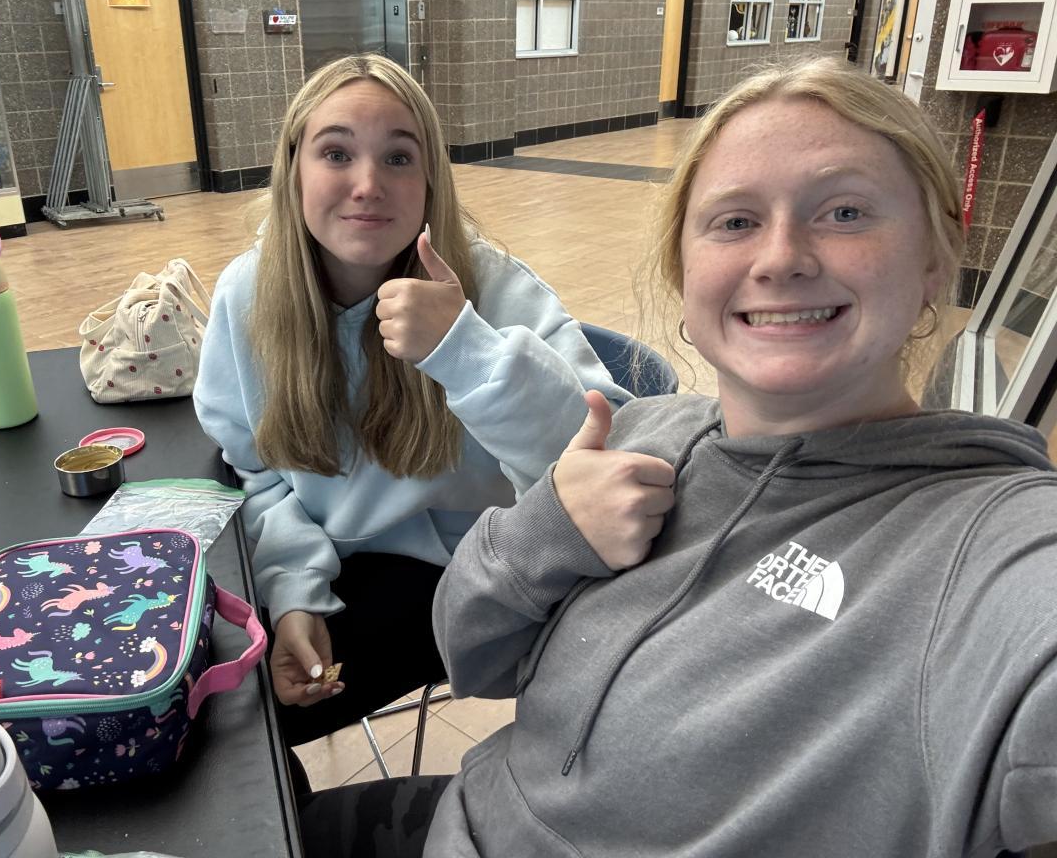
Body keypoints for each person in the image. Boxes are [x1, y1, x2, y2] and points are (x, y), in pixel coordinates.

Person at [297, 56, 1057, 858]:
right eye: (735, 222)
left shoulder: (984, 546)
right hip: (470, 818)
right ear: (684, 272)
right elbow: (472, 651)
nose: (781, 258)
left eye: (844, 212)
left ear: (936, 257)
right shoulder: (645, 433)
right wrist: (545, 529)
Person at [194, 54, 628, 773]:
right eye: (337, 153)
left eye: (399, 157)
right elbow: (258, 472)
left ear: (431, 181)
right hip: (327, 555)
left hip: (467, 569)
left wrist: (465, 349)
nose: (368, 184)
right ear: (294, 167)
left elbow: (603, 453)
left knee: (237, 737)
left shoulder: (490, 286)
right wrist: (295, 593)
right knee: (204, 694)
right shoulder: (247, 294)